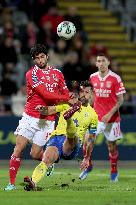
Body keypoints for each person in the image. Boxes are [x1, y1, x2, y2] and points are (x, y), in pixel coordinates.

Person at [4, 44, 69, 191]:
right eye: (37, 58)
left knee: (35, 154)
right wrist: (63, 98)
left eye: (42, 56)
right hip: (29, 116)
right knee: (18, 148)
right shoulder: (31, 74)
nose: (40, 60)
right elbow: (47, 95)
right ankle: (11, 183)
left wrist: (64, 98)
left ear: (47, 56)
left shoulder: (58, 74)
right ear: (34, 60)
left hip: (47, 120)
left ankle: (49, 162)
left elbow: (66, 94)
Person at [23, 81, 98, 190]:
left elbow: (91, 138)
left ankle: (68, 119)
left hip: (72, 146)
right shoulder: (67, 103)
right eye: (82, 91)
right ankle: (33, 182)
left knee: (73, 136)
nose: (83, 94)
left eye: (86, 92)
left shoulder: (93, 115)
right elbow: (50, 110)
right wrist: (42, 109)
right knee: (47, 159)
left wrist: (87, 158)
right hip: (56, 138)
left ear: (92, 94)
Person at [89, 53, 126, 182]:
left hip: (112, 119)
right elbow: (92, 97)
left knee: (111, 146)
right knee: (88, 138)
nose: (101, 63)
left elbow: (121, 100)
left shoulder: (115, 78)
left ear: (108, 62)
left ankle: (114, 170)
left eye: (103, 61)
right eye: (98, 61)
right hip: (97, 117)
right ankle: (88, 163)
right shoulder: (92, 77)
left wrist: (110, 113)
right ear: (96, 63)